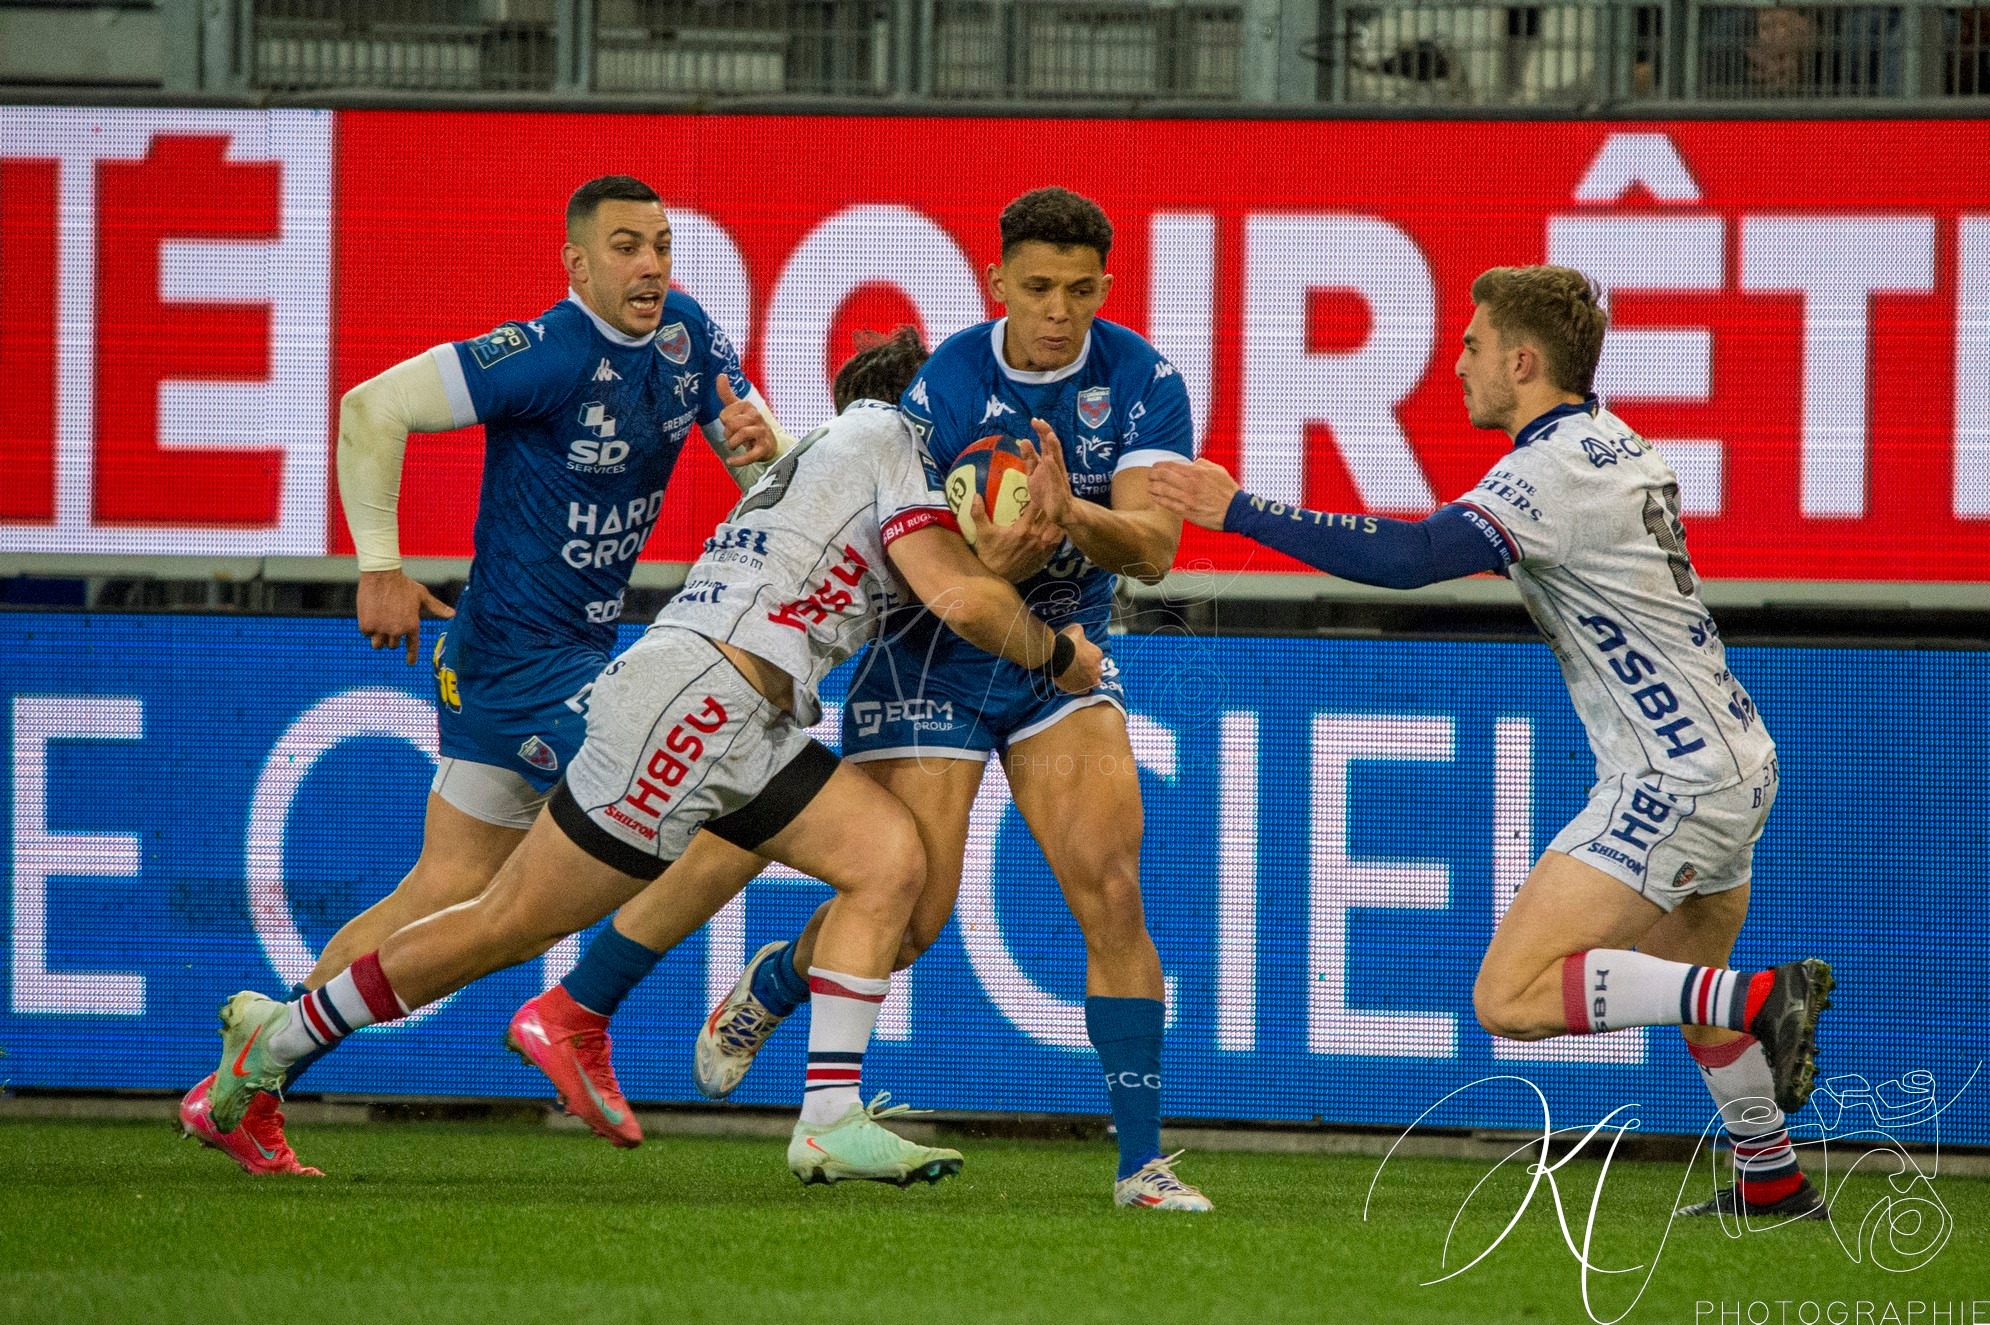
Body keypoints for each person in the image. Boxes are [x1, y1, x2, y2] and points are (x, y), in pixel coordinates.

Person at [202, 327, 1106, 1188]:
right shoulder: (888, 438)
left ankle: (829, 1117)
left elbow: (925, 582)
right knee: (507, 922)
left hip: (740, 711)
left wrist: (992, 563)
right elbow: (958, 599)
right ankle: (275, 1046)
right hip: (699, 704)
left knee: (888, 856)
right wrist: (1061, 656)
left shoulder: (842, 449)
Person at [566, 186, 1212, 1213]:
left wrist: (1068, 512)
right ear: (998, 282)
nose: (1059, 309)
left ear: (1105, 286)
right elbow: (923, 553)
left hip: (1065, 655)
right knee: (910, 916)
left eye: (1080, 290)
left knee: (1114, 889)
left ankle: (1141, 1164)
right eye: (1038, 287)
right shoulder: (943, 384)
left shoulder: (1143, 379)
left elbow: (1158, 548)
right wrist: (996, 553)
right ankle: (775, 982)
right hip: (929, 657)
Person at [1146, 263, 1835, 1221]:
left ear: (1523, 360)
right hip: (1736, 757)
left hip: (1672, 775)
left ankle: (1763, 999)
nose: (1456, 366)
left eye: (1471, 347)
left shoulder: (1546, 469)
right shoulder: (1611, 440)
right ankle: (1774, 1179)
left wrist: (1239, 510)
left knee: (1510, 997)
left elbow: (1409, 559)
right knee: (1686, 981)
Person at [177, 174, 783, 1176]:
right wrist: (379, 563)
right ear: (575, 263)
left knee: (449, 882)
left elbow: (764, 472)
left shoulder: (690, 337)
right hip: (519, 665)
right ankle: (577, 1011)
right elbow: (372, 406)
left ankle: (254, 1068)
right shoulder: (543, 352)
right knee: (734, 796)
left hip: (551, 656)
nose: (649, 265)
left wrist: (766, 460)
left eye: (662, 245)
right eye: (626, 246)